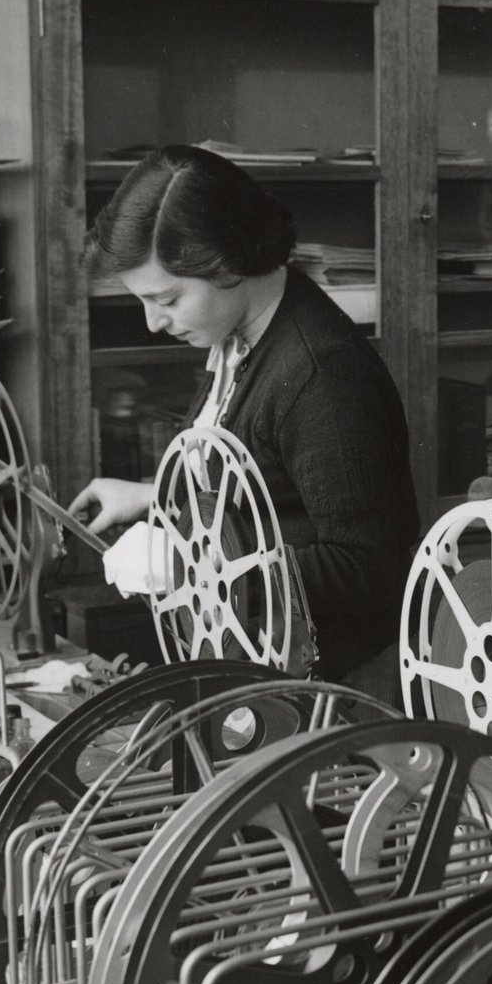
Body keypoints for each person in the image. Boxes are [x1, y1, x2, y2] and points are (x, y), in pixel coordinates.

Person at [68, 144, 419, 700]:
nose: (154, 323)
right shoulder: (247, 337)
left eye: (167, 299)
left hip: (327, 693)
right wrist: (152, 494)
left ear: (226, 262)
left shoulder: (319, 374)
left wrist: (185, 567)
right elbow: (264, 484)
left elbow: (367, 567)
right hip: (257, 663)